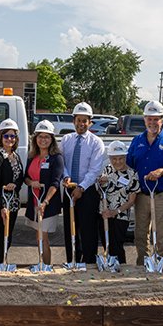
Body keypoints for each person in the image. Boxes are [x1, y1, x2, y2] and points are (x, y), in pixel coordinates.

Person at [126, 100, 163, 265]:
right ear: (144, 119)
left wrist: (162, 172)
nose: (152, 122)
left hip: (161, 196)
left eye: (156, 119)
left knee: (162, 234)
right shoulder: (137, 141)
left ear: (162, 120)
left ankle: (161, 265)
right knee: (140, 233)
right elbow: (129, 167)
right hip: (142, 195)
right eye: (149, 119)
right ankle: (143, 265)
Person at [60, 102, 105, 265]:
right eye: (79, 120)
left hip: (87, 191)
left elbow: (94, 170)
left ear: (90, 122)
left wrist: (81, 187)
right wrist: (66, 177)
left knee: (88, 229)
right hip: (68, 190)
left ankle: (89, 262)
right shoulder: (66, 140)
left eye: (85, 120)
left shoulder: (96, 142)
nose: (81, 124)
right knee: (69, 227)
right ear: (74, 121)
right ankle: (72, 260)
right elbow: (61, 162)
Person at [25, 120, 64, 266]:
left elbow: (55, 183)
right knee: (38, 236)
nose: (43, 140)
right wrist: (31, 182)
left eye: (47, 137)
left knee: (44, 236)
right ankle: (40, 263)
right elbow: (26, 177)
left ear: (52, 139)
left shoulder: (56, 158)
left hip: (47, 204)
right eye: (40, 136)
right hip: (34, 202)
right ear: (35, 138)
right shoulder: (32, 156)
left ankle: (46, 266)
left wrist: (45, 201)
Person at [96, 141, 140, 264]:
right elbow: (99, 191)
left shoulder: (132, 174)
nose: (118, 162)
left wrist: (115, 212)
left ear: (125, 157)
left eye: (121, 158)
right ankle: (109, 267)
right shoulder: (107, 170)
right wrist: (100, 183)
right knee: (107, 243)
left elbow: (132, 200)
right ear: (110, 158)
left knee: (117, 245)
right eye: (114, 159)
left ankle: (121, 268)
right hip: (104, 213)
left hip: (121, 216)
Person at [0, 118, 25, 266]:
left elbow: (21, 177)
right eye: (6, 136)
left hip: (14, 200)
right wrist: (1, 206)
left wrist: (15, 185)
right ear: (0, 138)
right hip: (2, 200)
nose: (9, 139)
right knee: (4, 232)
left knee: (9, 233)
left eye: (12, 136)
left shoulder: (15, 155)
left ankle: (3, 261)